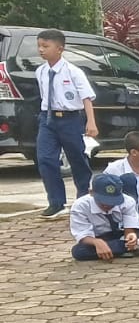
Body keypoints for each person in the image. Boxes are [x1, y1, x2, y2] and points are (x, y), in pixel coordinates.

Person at [33, 28, 99, 218]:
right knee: (45, 159)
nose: (41, 50)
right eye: (39, 46)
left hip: (70, 119)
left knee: (77, 158)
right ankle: (56, 202)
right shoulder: (41, 71)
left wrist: (91, 122)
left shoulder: (73, 71)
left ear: (60, 48)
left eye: (46, 46)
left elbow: (86, 97)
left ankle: (83, 198)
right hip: (47, 119)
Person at [70, 174, 139, 260]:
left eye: (113, 201)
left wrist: (131, 236)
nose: (108, 205)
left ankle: (127, 246)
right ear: (91, 192)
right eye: (103, 201)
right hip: (101, 237)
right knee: (79, 251)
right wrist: (97, 242)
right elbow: (82, 234)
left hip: (123, 233)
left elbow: (130, 228)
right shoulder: (80, 206)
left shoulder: (128, 201)